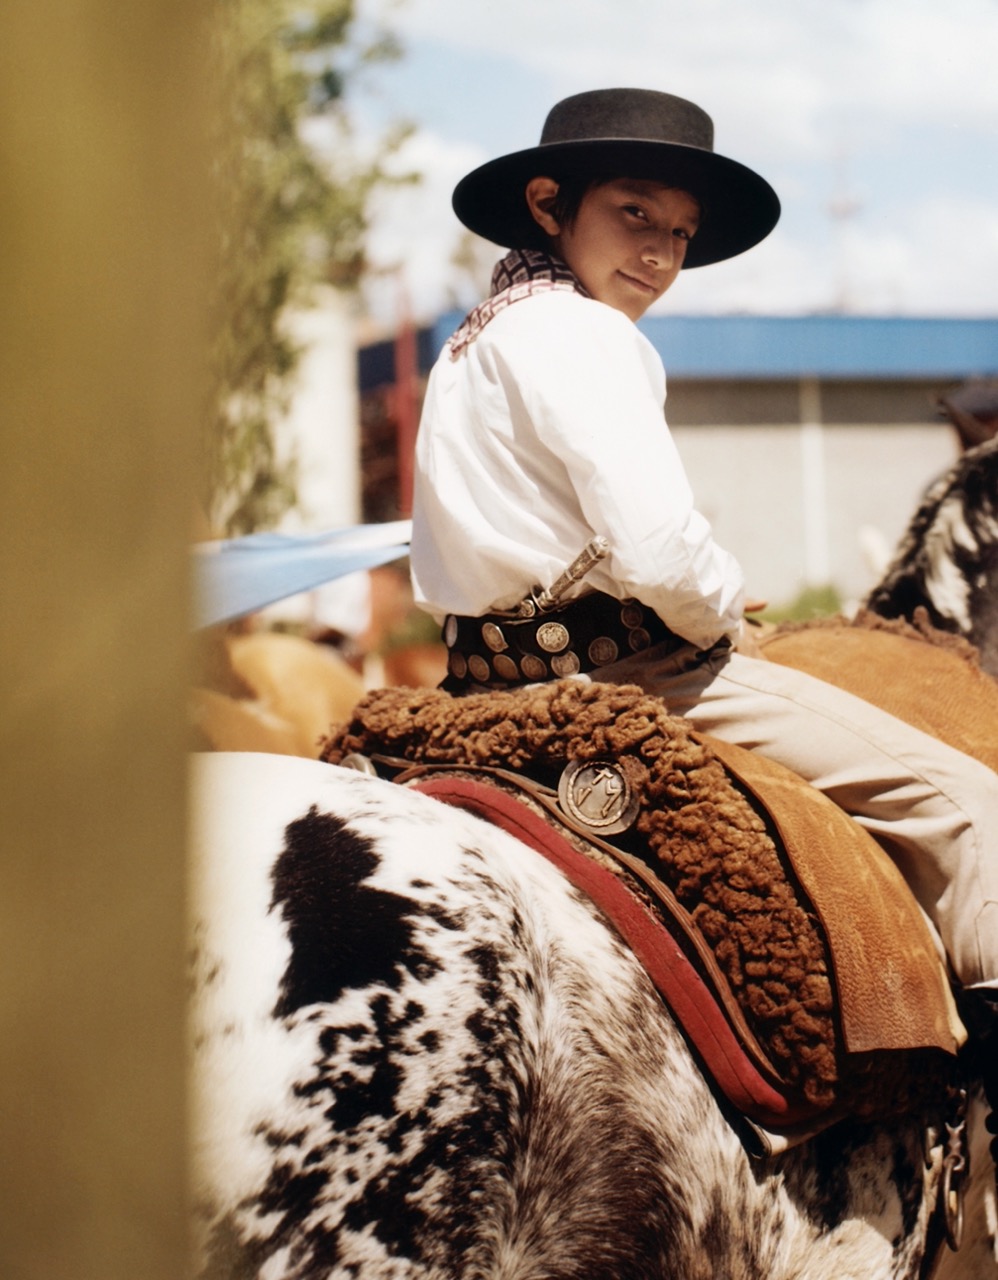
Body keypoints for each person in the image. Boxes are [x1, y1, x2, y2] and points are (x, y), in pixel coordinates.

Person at [408, 89, 997, 1056]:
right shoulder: (589, 334)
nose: (660, 254)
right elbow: (655, 552)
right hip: (640, 676)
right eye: (635, 214)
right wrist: (721, 590)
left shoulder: (474, 341)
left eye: (680, 233)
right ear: (551, 201)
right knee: (974, 808)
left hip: (474, 687)